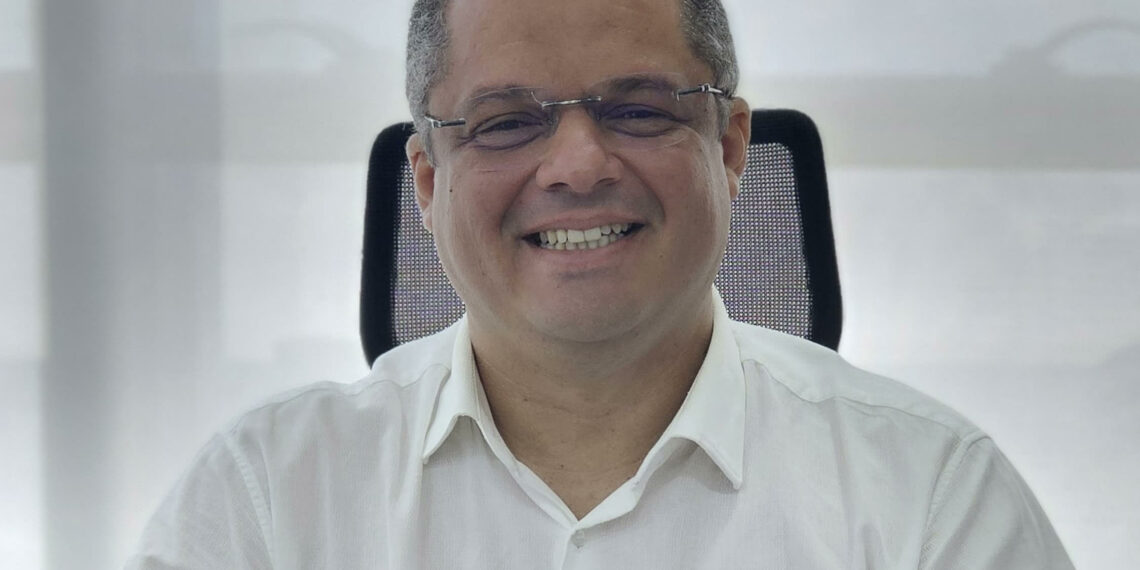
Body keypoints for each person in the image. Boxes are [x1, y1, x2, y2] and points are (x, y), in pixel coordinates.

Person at [128, 0, 1075, 567]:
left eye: (640, 108)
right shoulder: (267, 499)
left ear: (730, 149)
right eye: (506, 122)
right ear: (425, 182)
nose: (578, 165)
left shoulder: (931, 498)